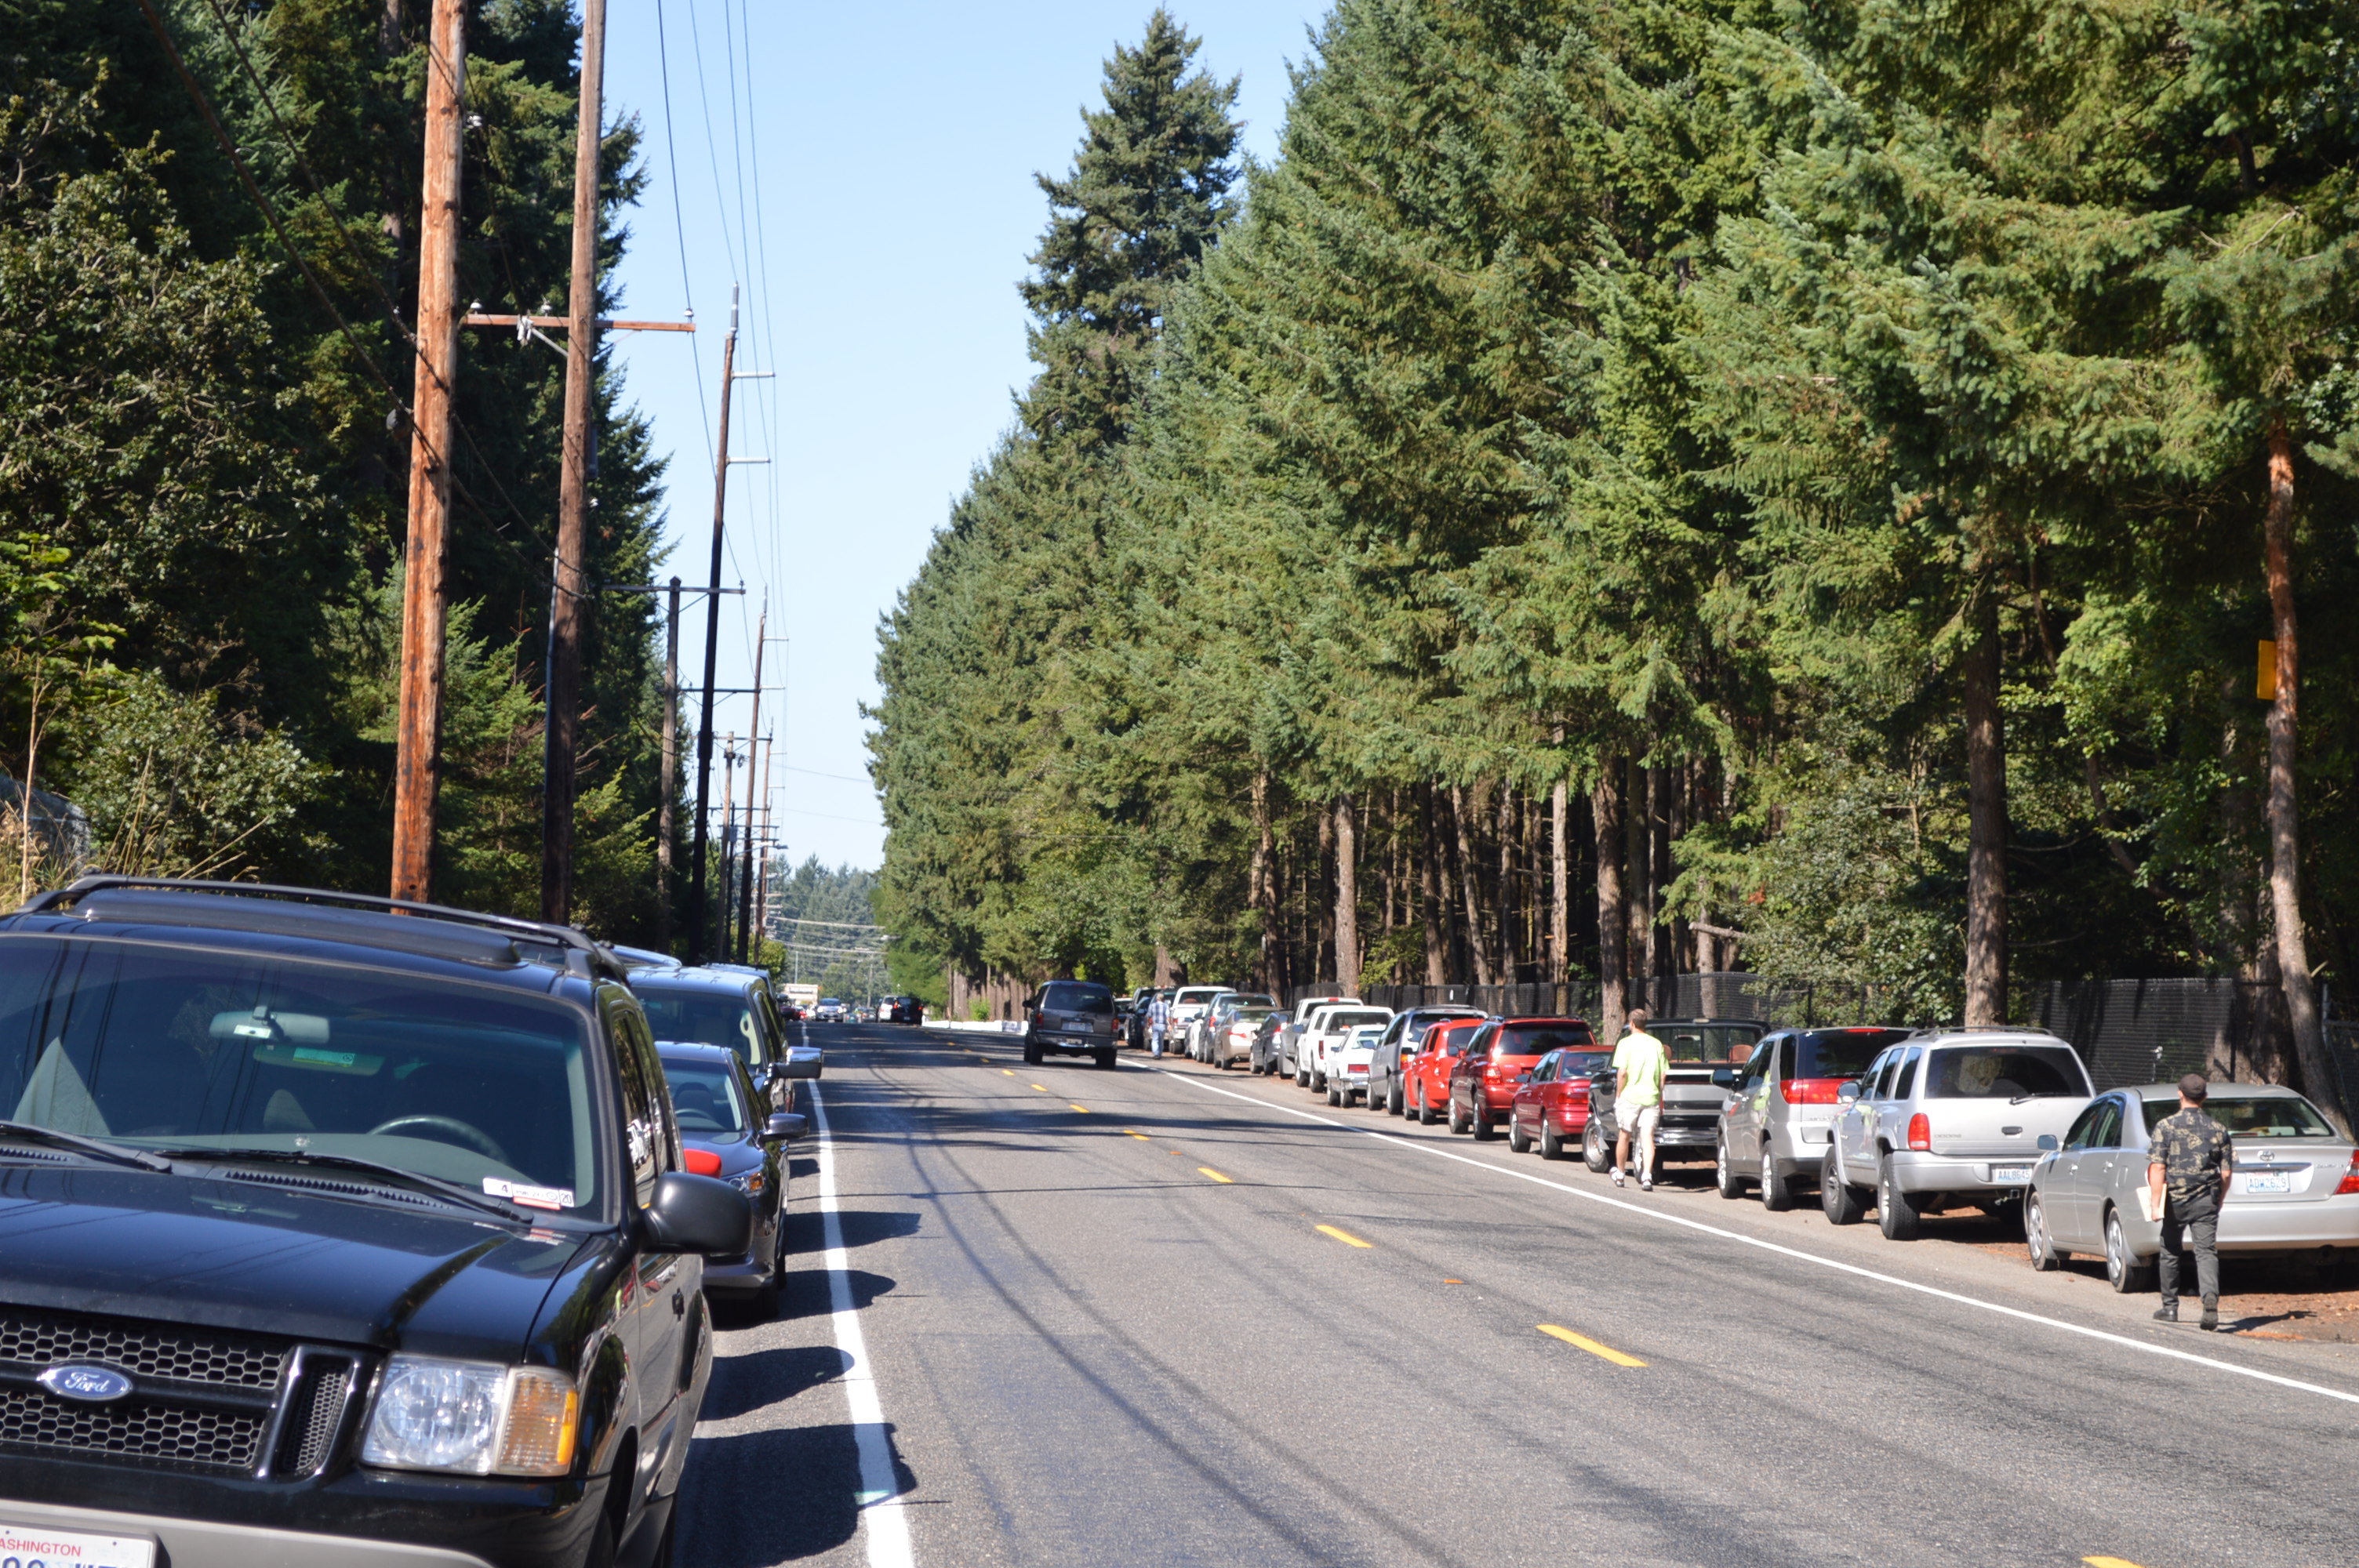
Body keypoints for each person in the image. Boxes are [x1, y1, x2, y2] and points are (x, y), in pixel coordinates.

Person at [2149, 1072, 2235, 1330]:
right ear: (2204, 1097)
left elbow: (2158, 1167)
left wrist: (2155, 1204)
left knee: (2170, 1250)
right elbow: (2226, 1172)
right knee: (2206, 1251)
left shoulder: (2165, 1126)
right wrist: (2220, 1198)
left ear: (2180, 1094)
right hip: (2206, 1199)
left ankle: (2170, 1307)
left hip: (2174, 1200)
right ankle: (2209, 1300)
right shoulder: (2219, 1129)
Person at [1611, 1007, 1669, 1191]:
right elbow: (1663, 1074)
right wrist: (1658, 1093)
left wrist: (1619, 1093)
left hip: (1630, 1096)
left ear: (1632, 1024)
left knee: (1624, 1134)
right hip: (1651, 1097)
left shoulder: (1625, 1044)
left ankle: (1620, 1174)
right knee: (1648, 1137)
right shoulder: (1657, 1044)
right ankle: (1647, 1176)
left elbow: (1622, 1072)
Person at [1147, 991, 1171, 1059]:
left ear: (1157, 999)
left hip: (1155, 1025)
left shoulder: (1152, 1005)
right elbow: (1168, 1016)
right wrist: (1169, 1024)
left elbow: (1149, 1016)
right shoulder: (1166, 1006)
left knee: (1155, 1039)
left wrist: (1149, 1023)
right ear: (1163, 999)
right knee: (1161, 1040)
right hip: (1163, 1025)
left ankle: (1156, 1054)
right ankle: (1159, 1054)